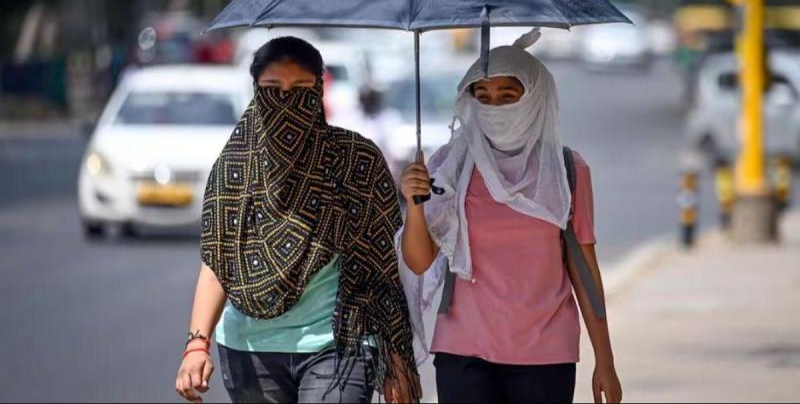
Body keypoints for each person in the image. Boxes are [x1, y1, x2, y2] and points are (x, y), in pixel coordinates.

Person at [175, 37, 420, 404]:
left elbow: (382, 267)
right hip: (250, 350)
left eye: (301, 89)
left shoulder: (356, 161)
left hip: (340, 346)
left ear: (319, 90)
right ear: (256, 91)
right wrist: (197, 345)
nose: (287, 102)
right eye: (273, 89)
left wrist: (397, 355)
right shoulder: (235, 167)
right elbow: (217, 262)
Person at [396, 29, 623, 404]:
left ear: (532, 97)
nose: (494, 107)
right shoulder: (450, 166)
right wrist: (415, 204)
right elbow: (419, 262)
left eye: (507, 96)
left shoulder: (566, 170)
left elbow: (584, 271)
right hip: (463, 351)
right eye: (482, 96)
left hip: (545, 354)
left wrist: (606, 361)